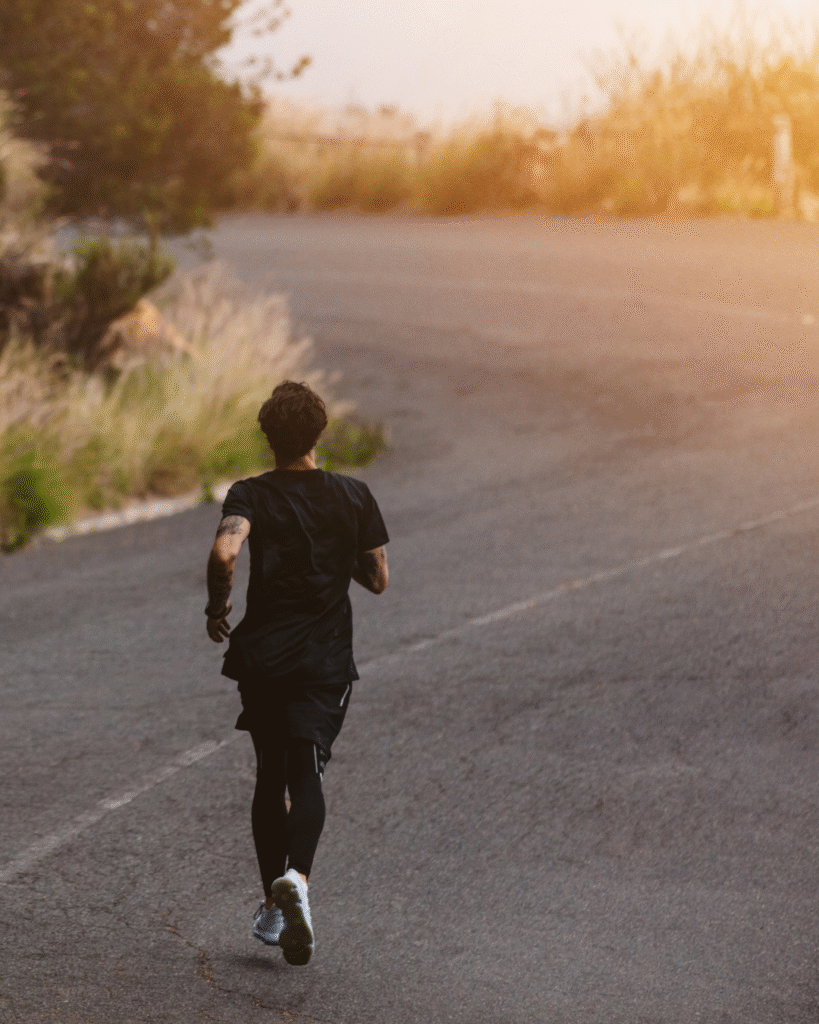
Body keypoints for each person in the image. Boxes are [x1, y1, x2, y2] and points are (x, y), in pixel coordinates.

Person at [205, 380, 389, 966]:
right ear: (320, 431)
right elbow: (379, 577)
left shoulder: (249, 494)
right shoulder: (353, 495)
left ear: (268, 435)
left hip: (262, 657)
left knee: (268, 777)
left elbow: (225, 553)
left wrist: (217, 608)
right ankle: (299, 883)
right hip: (324, 660)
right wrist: (337, 554)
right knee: (306, 771)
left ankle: (273, 906)